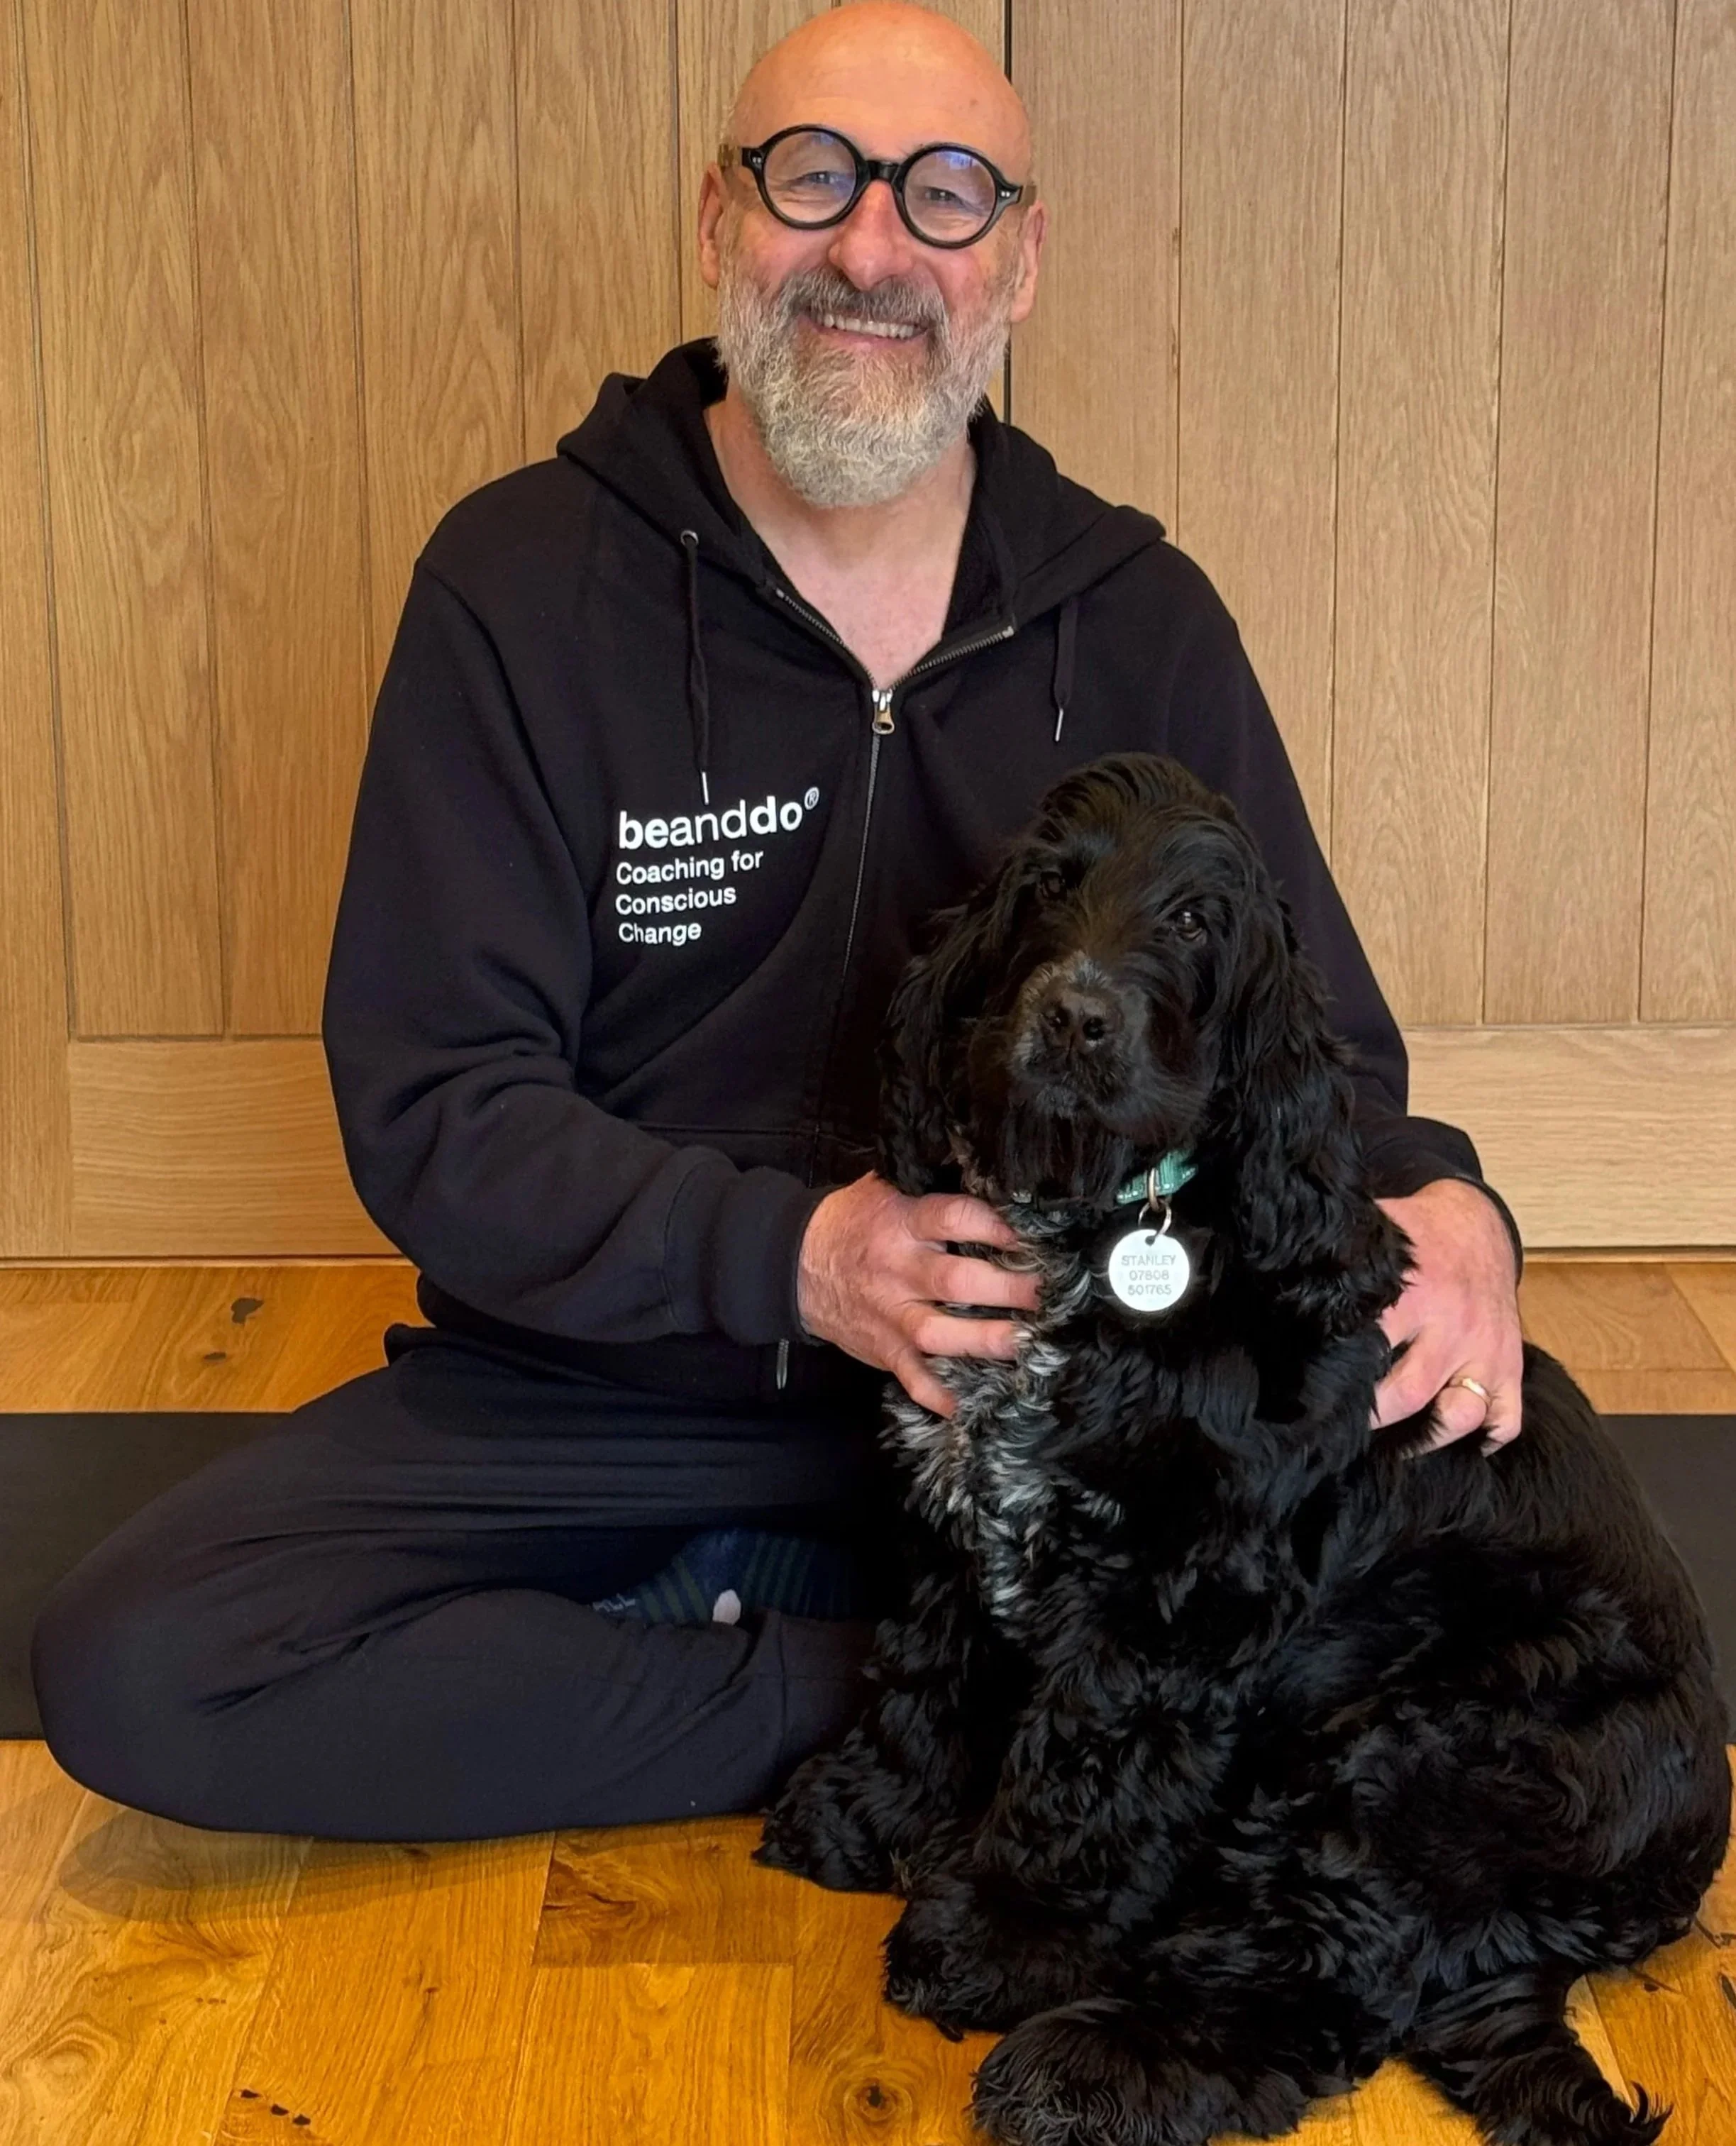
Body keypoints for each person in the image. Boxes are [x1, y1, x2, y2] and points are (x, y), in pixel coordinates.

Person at [31, 1, 1524, 1842]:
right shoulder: (514, 589)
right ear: (717, 217)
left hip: (1058, 1393)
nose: (873, 248)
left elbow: (1318, 1046)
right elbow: (438, 1112)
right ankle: (880, 1689)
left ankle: (886, 1652)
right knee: (149, 1668)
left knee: (1490, 1520)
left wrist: (1449, 1198)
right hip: (618, 1378)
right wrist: (798, 1256)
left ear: (1022, 257)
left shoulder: (1135, 618)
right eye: (812, 178)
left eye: (946, 193)